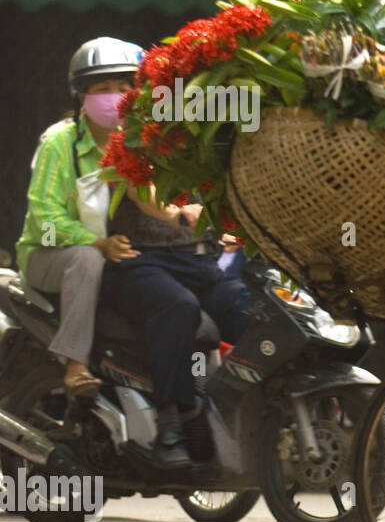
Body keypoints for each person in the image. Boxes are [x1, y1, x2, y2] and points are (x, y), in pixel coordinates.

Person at [15, 37, 145, 399]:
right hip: (48, 256)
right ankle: (74, 362)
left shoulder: (140, 142)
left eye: (123, 87)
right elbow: (45, 224)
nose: (114, 96)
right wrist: (95, 243)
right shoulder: (61, 142)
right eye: (103, 89)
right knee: (85, 259)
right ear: (81, 98)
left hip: (117, 253)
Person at [98, 189, 248, 471]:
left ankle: (252, 414)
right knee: (179, 307)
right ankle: (169, 429)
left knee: (246, 306)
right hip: (140, 262)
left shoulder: (214, 149)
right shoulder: (133, 147)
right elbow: (145, 193)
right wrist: (181, 212)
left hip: (201, 265)